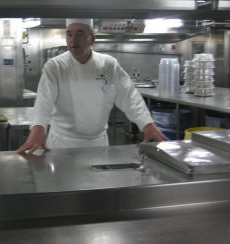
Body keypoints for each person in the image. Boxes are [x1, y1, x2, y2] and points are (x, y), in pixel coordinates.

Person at [17, 19, 168, 154]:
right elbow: (44, 100)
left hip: (98, 144)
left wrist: (147, 124)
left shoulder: (108, 64)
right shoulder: (55, 66)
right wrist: (38, 128)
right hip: (62, 144)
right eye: (69, 34)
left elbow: (129, 96)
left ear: (92, 39)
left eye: (80, 34)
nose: (73, 39)